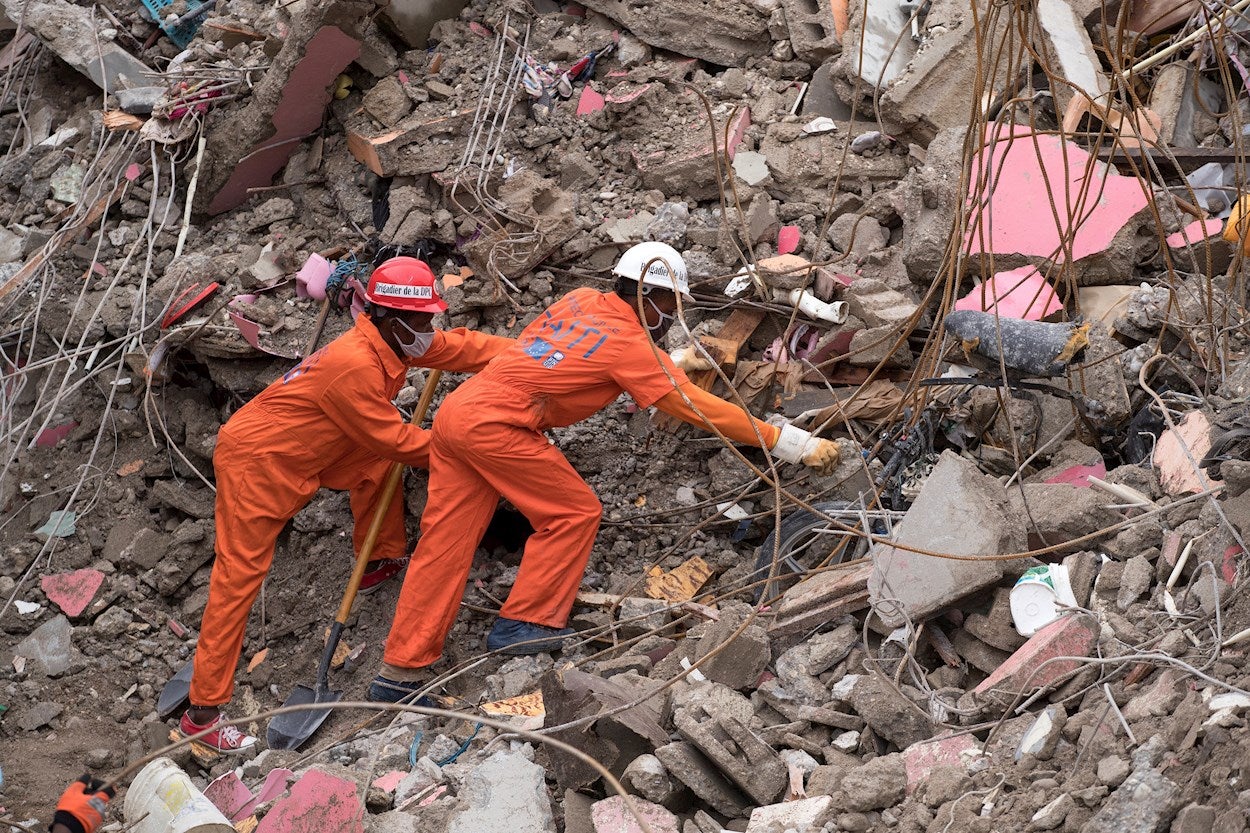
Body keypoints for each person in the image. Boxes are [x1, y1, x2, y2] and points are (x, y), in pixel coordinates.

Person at [369, 242, 839, 701]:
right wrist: (789, 443)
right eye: (670, 305)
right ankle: (524, 624)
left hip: (459, 413)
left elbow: (560, 352)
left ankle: (399, 673)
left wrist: (668, 362)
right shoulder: (630, 345)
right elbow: (694, 405)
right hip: (498, 425)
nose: (671, 316)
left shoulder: (581, 300)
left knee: (443, 545)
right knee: (572, 513)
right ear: (647, 295)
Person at [181, 256, 512, 751]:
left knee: (374, 466)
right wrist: (471, 447)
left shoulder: (389, 340)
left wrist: (532, 352)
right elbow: (399, 441)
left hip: (316, 446)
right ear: (392, 319)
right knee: (239, 575)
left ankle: (379, 557)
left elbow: (458, 347)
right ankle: (203, 713)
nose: (430, 331)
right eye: (423, 322)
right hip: (261, 460)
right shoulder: (353, 365)